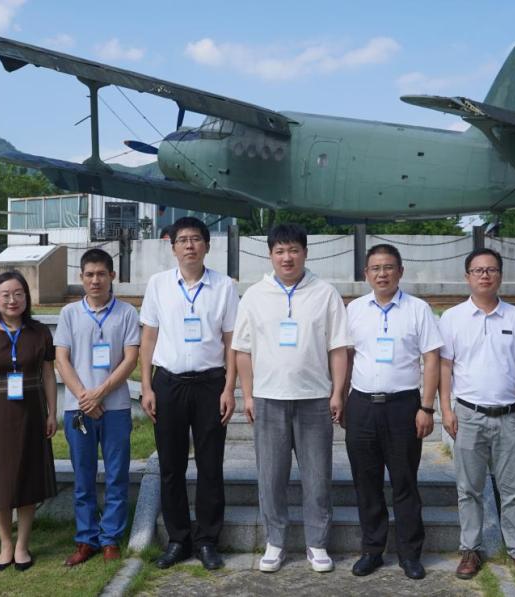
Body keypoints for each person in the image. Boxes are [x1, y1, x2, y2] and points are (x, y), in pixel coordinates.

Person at [232, 223, 350, 573]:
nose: (287, 257)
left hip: (314, 398)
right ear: (270, 255)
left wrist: (337, 392)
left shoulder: (325, 293)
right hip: (269, 398)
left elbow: (338, 347)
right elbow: (242, 350)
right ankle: (275, 541)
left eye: (294, 250)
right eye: (280, 251)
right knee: (271, 476)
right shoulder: (255, 295)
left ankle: (317, 543)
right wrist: (248, 395)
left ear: (305, 253)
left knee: (317, 475)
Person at [139, 217, 239, 571]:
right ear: (173, 247)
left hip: (211, 384)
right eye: (183, 240)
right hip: (169, 384)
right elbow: (148, 338)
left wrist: (229, 388)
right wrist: (147, 386)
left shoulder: (224, 286)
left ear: (207, 246)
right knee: (171, 465)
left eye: (196, 239)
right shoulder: (159, 285)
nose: (190, 245)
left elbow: (231, 342)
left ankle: (208, 539)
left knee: (210, 465)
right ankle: (178, 539)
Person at [438, 248, 515, 582]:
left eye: (491, 270)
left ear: (500, 275)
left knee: (514, 489)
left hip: (510, 415)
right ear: (467, 276)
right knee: (469, 489)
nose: (485, 275)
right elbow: (445, 366)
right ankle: (471, 549)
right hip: (469, 414)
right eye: (478, 270)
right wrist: (446, 409)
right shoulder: (452, 318)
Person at [344, 244, 442, 580]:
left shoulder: (418, 309)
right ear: (366, 274)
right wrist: (340, 397)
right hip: (361, 405)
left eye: (388, 267)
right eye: (375, 268)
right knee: (366, 481)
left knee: (404, 482)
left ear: (400, 271)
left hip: (404, 406)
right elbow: (346, 357)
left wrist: (427, 407)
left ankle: (410, 554)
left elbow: (432, 358)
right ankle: (372, 550)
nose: (382, 274)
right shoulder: (354, 309)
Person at [0, 270, 58, 572]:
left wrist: (52, 412)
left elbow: (48, 375)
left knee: (29, 476)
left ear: (26, 297)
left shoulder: (40, 332)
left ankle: (22, 544)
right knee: (1, 479)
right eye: (5, 294)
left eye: (18, 293)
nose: (12, 300)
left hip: (32, 411)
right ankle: (6, 543)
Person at [55, 248, 140, 566]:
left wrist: (100, 393)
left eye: (101, 274)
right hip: (78, 409)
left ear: (112, 276)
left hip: (115, 407)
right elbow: (61, 359)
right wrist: (84, 397)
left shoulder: (127, 313)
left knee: (117, 474)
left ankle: (110, 538)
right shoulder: (69, 313)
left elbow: (130, 358)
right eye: (89, 274)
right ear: (81, 277)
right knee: (83, 475)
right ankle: (86, 538)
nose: (95, 280)